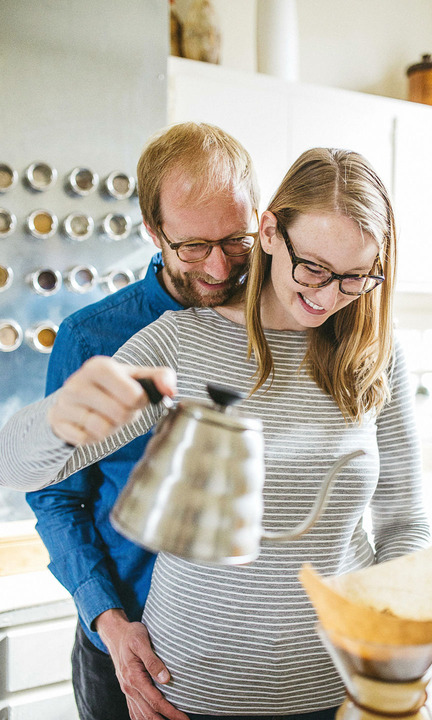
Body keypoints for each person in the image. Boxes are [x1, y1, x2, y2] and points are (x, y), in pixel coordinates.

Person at [1, 147, 430, 719]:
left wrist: (395, 646)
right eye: (315, 270)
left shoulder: (376, 354)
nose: (328, 297)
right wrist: (57, 418)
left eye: (355, 278)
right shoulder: (178, 340)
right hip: (187, 690)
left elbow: (405, 523)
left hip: (335, 689)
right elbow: (19, 470)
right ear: (272, 232)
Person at [24, 121, 259, 720]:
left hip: (245, 647)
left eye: (236, 239)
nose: (217, 266)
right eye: (192, 246)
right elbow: (55, 497)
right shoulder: (92, 338)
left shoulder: (281, 322)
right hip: (128, 644)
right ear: (154, 230)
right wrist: (109, 619)